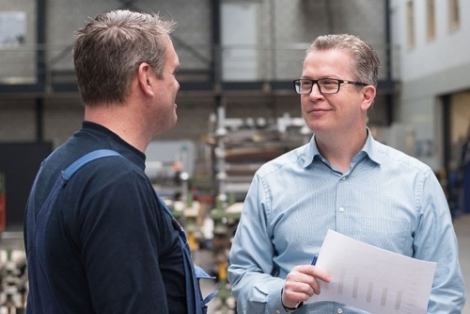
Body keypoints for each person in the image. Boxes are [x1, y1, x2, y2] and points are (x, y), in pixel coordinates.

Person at [228, 34, 466, 313]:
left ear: (366, 96)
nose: (314, 94)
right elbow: (243, 275)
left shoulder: (417, 182)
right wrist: (280, 293)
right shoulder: (270, 181)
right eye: (307, 84)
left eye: (329, 83)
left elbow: (444, 293)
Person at [24, 9, 214, 314]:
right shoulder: (115, 182)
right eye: (173, 72)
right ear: (147, 78)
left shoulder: (56, 165)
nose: (177, 84)